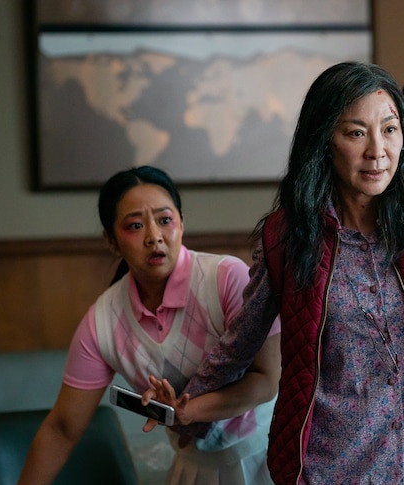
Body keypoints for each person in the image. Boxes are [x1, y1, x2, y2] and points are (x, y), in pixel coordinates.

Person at [145, 61, 404, 485]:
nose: (377, 151)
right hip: (331, 468)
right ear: (324, 142)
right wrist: (185, 405)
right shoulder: (287, 237)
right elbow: (240, 341)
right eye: (356, 133)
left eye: (389, 130)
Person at [18, 166, 281, 485]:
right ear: (111, 241)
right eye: (135, 225)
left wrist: (191, 411)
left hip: (270, 459)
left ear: (182, 224)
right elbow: (61, 428)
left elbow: (268, 380)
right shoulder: (103, 320)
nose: (154, 236)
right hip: (193, 468)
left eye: (165, 220)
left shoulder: (226, 278)